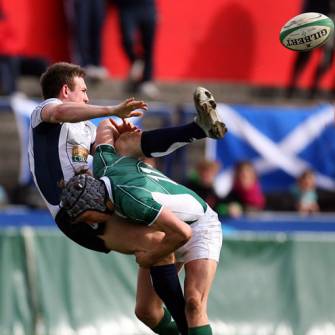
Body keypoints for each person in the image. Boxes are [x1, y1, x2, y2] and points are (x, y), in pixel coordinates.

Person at [28, 61, 227, 335]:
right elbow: (61, 111)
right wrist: (111, 110)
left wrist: (119, 135)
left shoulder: (87, 128)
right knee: (158, 249)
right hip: (74, 214)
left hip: (100, 200)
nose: (87, 97)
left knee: (149, 308)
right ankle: (188, 329)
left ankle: (197, 129)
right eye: (83, 91)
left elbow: (106, 153)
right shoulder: (44, 112)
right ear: (65, 90)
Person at [60, 116, 223, 335]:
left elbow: (183, 233)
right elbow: (105, 126)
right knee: (147, 312)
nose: (91, 224)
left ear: (98, 205)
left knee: (194, 303)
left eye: (89, 218)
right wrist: (119, 126)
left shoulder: (132, 199)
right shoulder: (103, 164)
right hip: (169, 226)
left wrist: (149, 257)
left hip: (200, 225)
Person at [113, 0, 159, 98]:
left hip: (148, 7)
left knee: (148, 47)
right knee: (127, 40)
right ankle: (137, 61)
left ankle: (147, 81)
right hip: (127, 7)